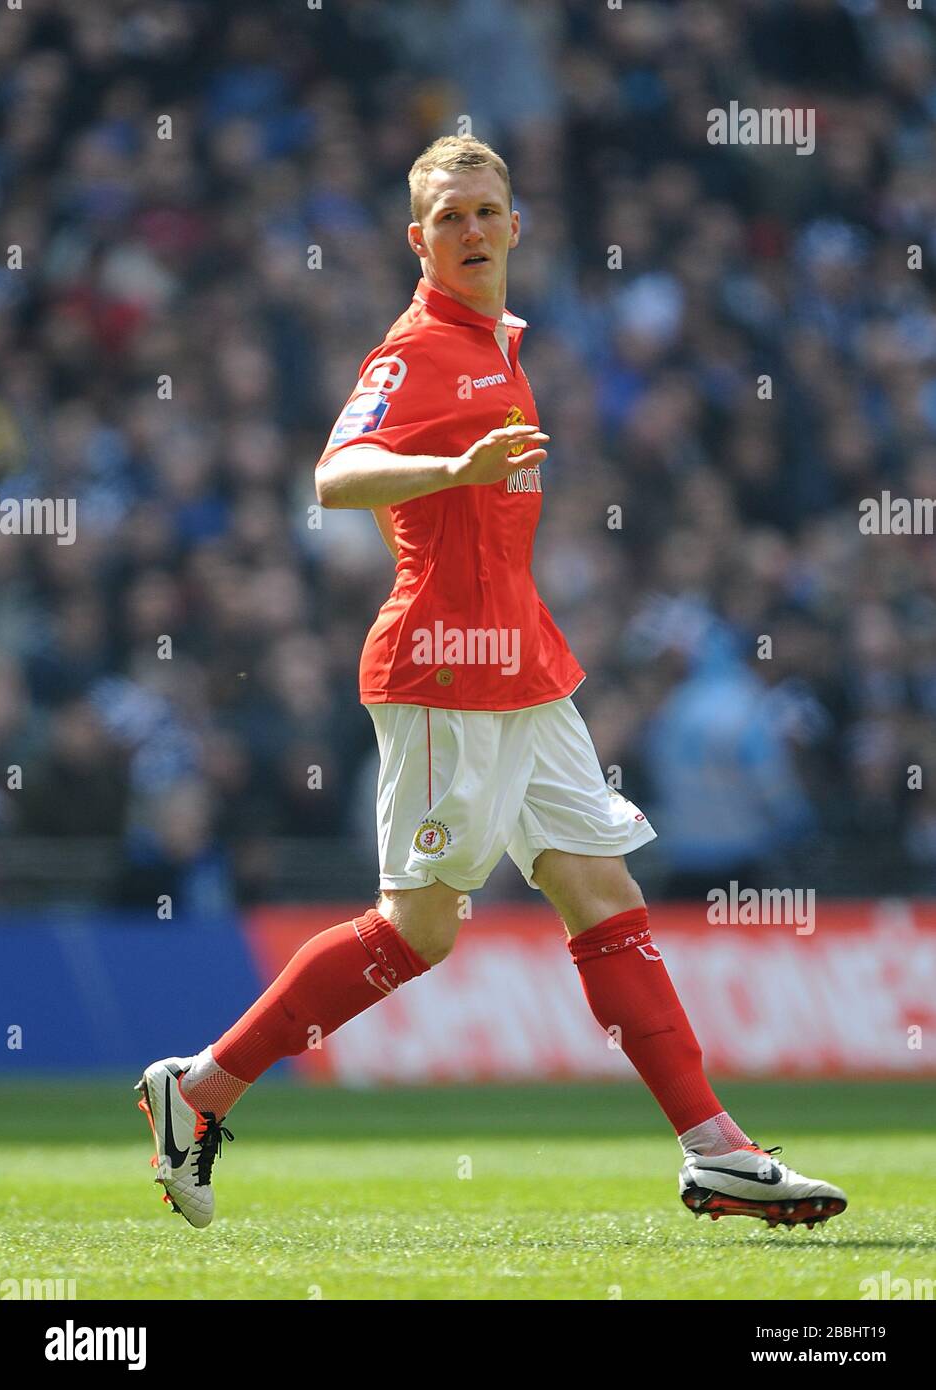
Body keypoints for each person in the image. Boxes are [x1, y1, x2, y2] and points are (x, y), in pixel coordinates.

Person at [136, 136, 846, 1233]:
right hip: (439, 673)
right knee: (416, 931)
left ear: (515, 224)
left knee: (602, 897)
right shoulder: (417, 347)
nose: (470, 231)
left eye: (486, 211)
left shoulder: (502, 341)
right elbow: (333, 474)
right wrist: (447, 468)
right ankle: (201, 1087)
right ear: (415, 239)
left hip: (526, 669)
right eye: (448, 216)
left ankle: (717, 1151)